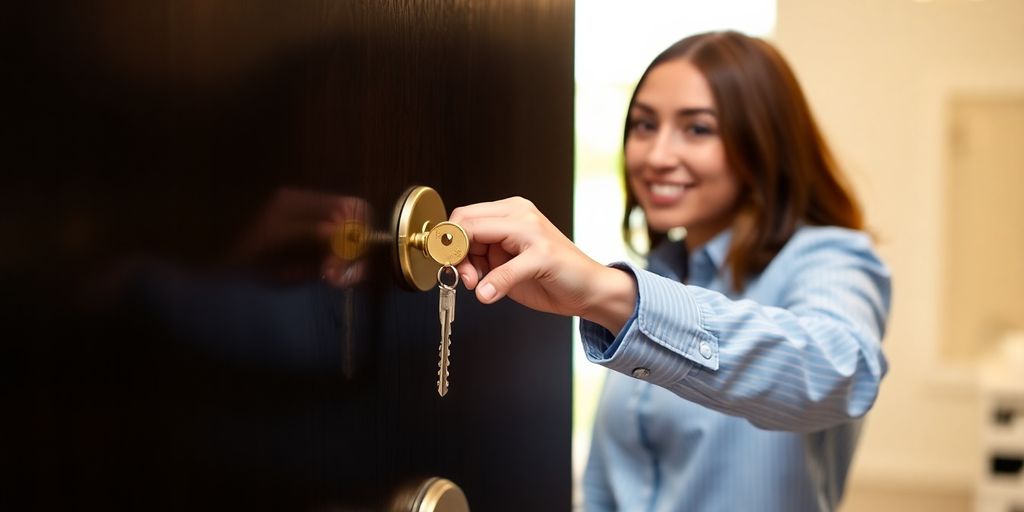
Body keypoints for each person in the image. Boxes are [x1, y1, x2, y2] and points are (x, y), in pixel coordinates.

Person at [450, 30, 891, 511]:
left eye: (697, 129)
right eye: (643, 126)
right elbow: (606, 484)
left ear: (764, 141)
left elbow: (839, 372)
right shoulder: (663, 274)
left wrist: (610, 293)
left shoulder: (829, 256)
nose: (657, 156)